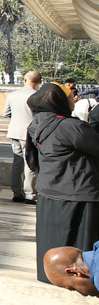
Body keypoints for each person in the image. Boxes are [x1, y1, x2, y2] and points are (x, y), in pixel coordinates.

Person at [29, 82, 99, 283]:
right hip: (79, 193)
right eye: (69, 96)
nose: (74, 99)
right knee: (80, 243)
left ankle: (51, 274)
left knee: (51, 239)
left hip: (49, 191)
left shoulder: (36, 123)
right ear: (57, 101)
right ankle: (84, 280)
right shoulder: (71, 126)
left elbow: (31, 157)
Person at [3, 70, 41, 204]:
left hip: (14, 131)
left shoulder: (13, 94)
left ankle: (17, 192)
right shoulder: (38, 96)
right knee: (30, 163)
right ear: (39, 83)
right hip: (29, 133)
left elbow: (6, 113)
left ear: (24, 80)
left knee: (17, 162)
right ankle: (30, 194)